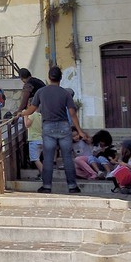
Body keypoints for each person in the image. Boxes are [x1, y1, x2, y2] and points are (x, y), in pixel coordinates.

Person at [18, 65, 86, 194]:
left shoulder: (41, 92)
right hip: (64, 127)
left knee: (48, 158)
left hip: (48, 126)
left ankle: (47, 186)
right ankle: (72, 186)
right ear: (61, 78)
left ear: (49, 78)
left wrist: (21, 113)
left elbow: (32, 109)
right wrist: (80, 131)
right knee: (67, 157)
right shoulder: (65, 93)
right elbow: (72, 114)